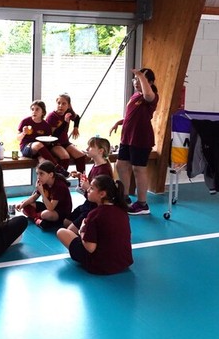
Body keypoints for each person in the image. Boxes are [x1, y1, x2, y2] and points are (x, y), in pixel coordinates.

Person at [56, 175, 133, 275]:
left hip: (100, 265)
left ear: (102, 194)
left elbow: (90, 248)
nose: (88, 189)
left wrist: (82, 231)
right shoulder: (122, 211)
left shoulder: (94, 214)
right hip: (124, 262)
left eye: (92, 188)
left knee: (61, 232)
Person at [109, 68, 159, 215]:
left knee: (138, 169)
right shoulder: (135, 96)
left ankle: (142, 204)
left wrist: (140, 76)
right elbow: (134, 115)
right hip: (127, 138)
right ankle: (124, 197)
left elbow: (148, 95)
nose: (136, 82)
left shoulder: (151, 96)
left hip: (141, 139)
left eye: (140, 79)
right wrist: (120, 122)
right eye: (135, 79)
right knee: (121, 165)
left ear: (150, 82)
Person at [65, 136, 113, 229]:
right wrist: (80, 176)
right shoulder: (96, 165)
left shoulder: (104, 170)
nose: (87, 149)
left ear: (100, 151)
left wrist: (87, 187)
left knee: (69, 229)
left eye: (90, 147)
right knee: (66, 222)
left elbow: (101, 195)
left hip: (95, 206)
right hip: (88, 203)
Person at [16, 160, 72, 230]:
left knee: (45, 214)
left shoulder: (59, 186)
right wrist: (22, 204)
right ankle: (38, 219)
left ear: (50, 175)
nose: (38, 177)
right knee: (26, 205)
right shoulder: (44, 182)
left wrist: (42, 192)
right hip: (47, 206)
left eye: (41, 174)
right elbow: (33, 198)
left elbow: (51, 208)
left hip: (59, 212)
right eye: (37, 174)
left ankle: (39, 219)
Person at [17, 100, 68, 176]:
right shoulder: (25, 121)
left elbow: (47, 141)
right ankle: (58, 168)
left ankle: (59, 178)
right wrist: (23, 133)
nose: (34, 111)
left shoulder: (45, 125)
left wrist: (49, 139)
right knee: (38, 144)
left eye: (37, 109)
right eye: (32, 109)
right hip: (27, 147)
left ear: (43, 112)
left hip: (40, 150)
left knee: (44, 163)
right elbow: (18, 138)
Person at [46, 93, 87, 174]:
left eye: (64, 104)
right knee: (65, 157)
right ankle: (60, 179)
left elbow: (77, 117)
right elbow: (54, 136)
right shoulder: (52, 116)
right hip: (53, 143)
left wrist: (75, 127)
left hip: (65, 142)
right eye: (58, 103)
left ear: (68, 105)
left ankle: (82, 179)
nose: (60, 106)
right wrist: (65, 122)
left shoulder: (68, 113)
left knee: (81, 155)